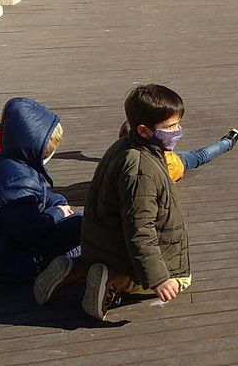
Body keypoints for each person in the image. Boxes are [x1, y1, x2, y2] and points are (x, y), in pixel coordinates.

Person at [74, 84, 193, 320]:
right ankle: (116, 280)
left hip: (103, 243)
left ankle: (78, 269)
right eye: (171, 127)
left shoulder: (123, 147)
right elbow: (140, 229)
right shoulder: (141, 167)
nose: (178, 131)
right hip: (120, 252)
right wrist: (158, 278)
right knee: (182, 280)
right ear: (144, 130)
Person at [0, 97, 81, 283]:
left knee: (76, 225)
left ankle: (71, 267)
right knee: (80, 229)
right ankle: (66, 272)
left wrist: (56, 202)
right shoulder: (19, 179)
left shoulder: (8, 161)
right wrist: (57, 213)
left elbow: (35, 197)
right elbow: (28, 232)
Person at [117, 121, 238, 182]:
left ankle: (227, 142)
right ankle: (228, 142)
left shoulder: (123, 158)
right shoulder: (157, 168)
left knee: (200, 155)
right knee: (201, 155)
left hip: (172, 160)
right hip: (176, 161)